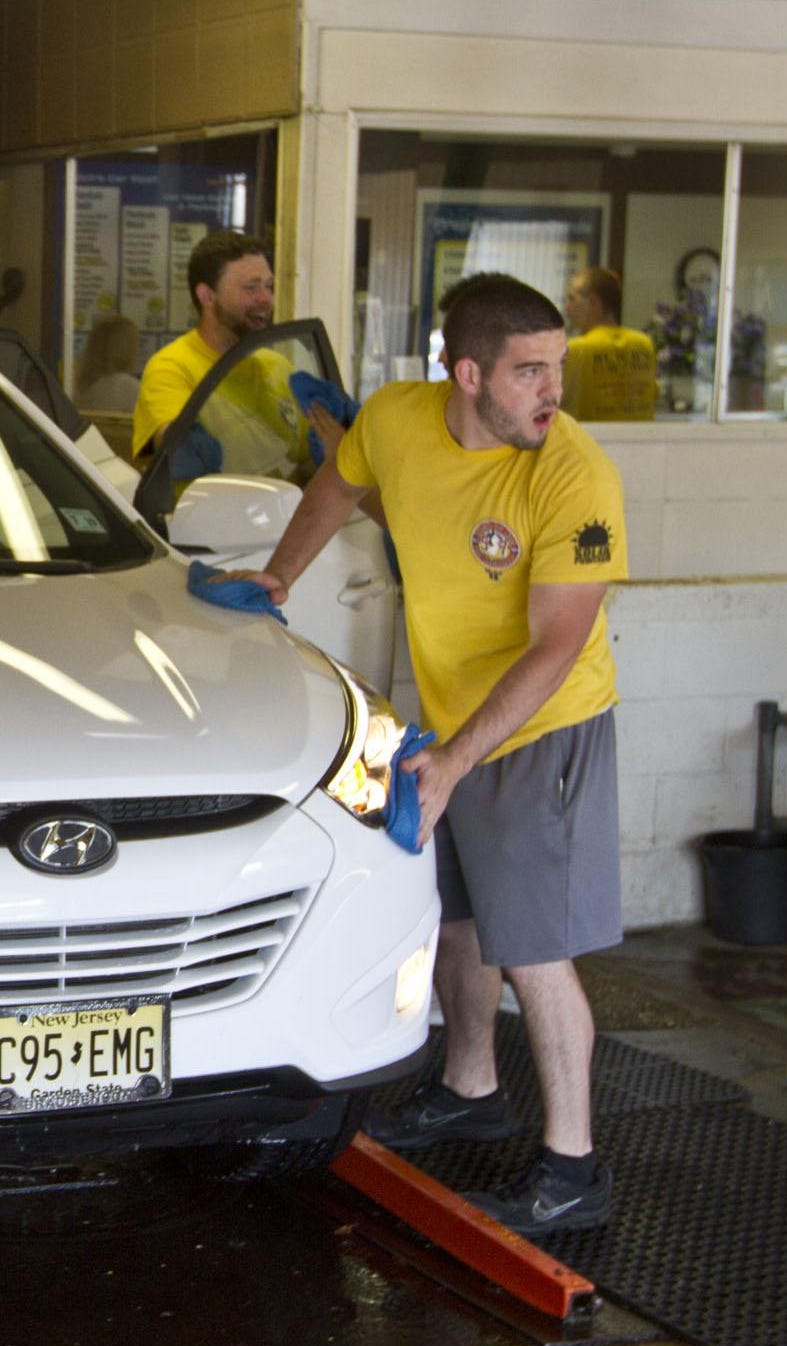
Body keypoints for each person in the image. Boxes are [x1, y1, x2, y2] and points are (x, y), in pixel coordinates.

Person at [227, 272, 628, 1236]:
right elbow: (340, 482)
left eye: (557, 368)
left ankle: (573, 1168)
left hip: (543, 727)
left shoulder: (573, 474)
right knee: (454, 920)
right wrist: (280, 575)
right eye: (530, 371)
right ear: (467, 373)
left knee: (534, 951)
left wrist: (453, 762)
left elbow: (556, 647)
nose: (553, 391)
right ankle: (470, 1087)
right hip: (457, 722)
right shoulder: (399, 420)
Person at [129, 232, 306, 479]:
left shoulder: (279, 366)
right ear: (207, 296)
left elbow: (313, 457)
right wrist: (187, 445)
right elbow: (177, 452)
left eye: (269, 286)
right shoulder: (171, 367)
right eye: (251, 288)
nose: (266, 299)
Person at [562, 267, 657, 421]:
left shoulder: (576, 349)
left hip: (588, 435)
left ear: (593, 302)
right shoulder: (644, 344)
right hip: (639, 436)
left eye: (572, 299)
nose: (567, 307)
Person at [72, 313, 142, 412]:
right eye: (135, 344)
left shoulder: (80, 387)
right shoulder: (129, 388)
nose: (138, 350)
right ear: (126, 349)